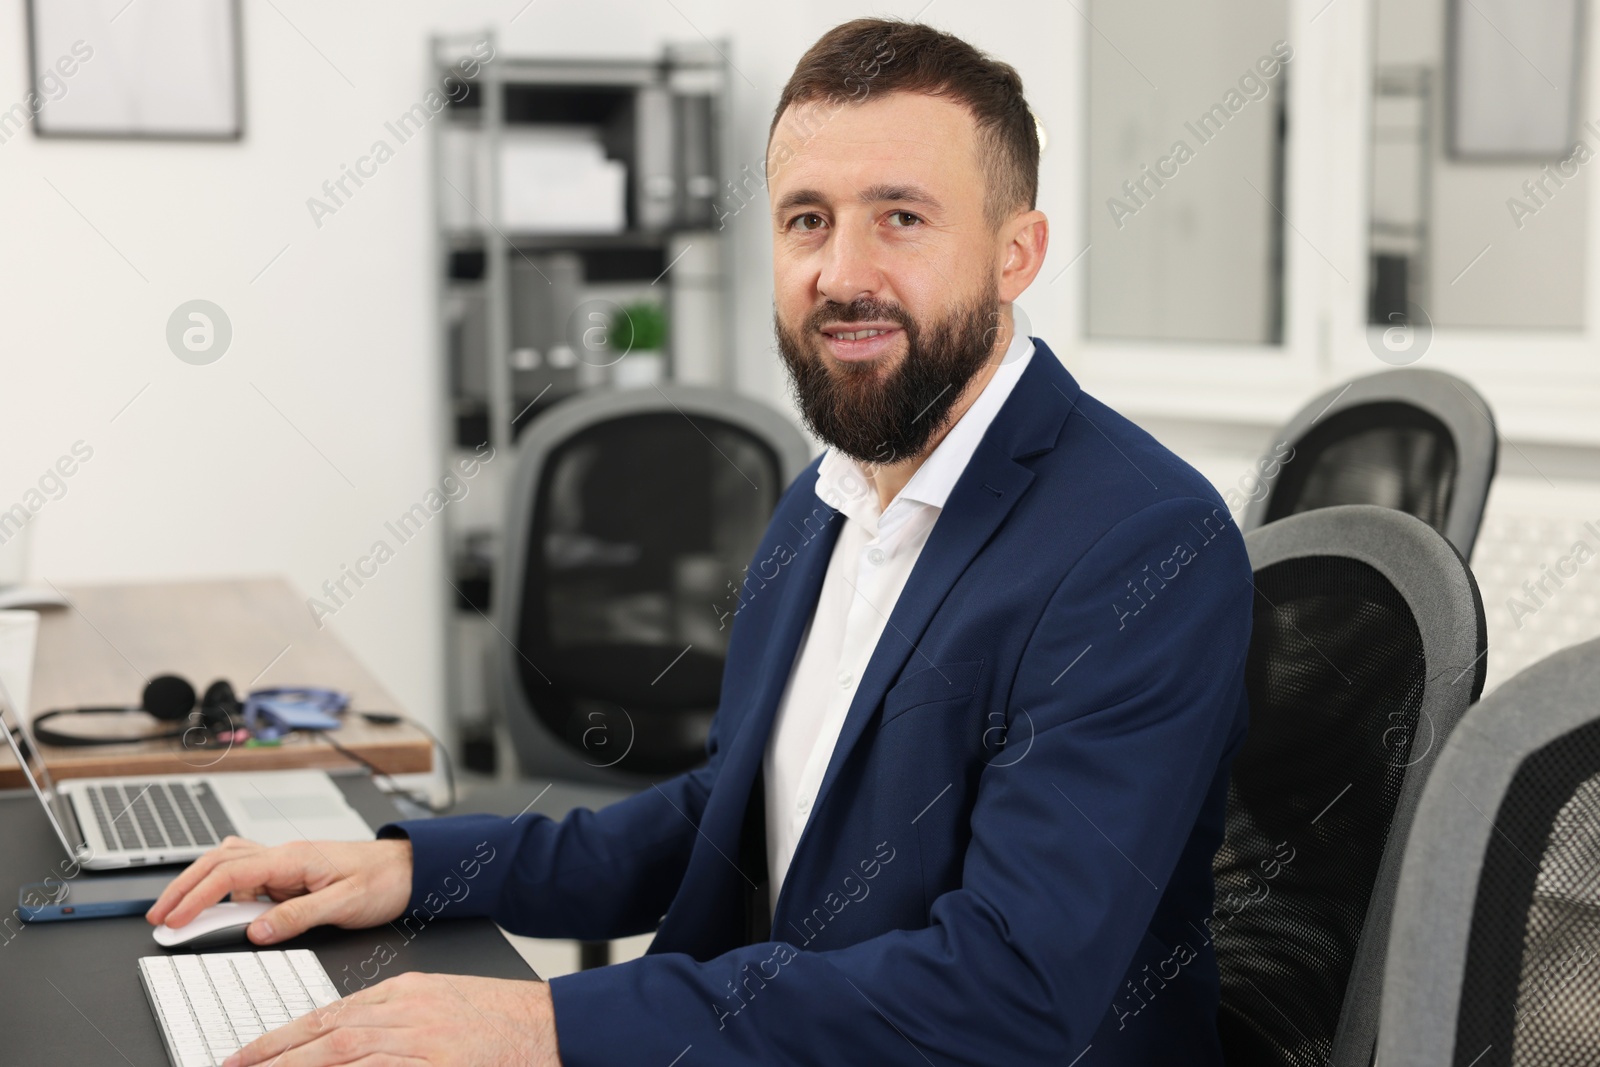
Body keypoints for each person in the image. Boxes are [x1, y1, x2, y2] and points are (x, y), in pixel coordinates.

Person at [150, 18, 1252, 1067]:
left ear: (1017, 254)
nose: (841, 272)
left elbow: (1009, 986)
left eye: (901, 217)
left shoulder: (1139, 544)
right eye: (806, 219)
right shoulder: (821, 498)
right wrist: (413, 866)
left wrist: (551, 1024)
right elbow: (725, 816)